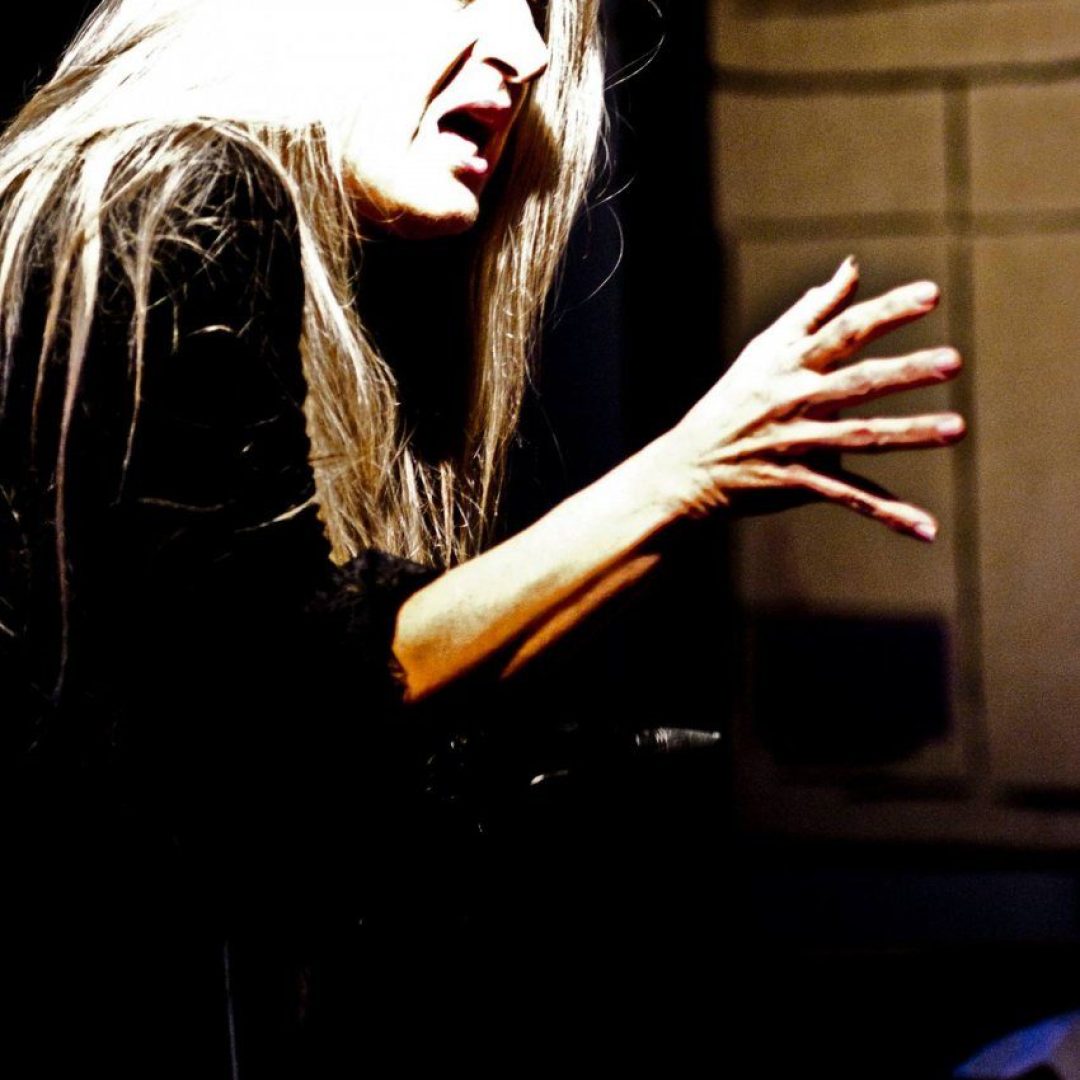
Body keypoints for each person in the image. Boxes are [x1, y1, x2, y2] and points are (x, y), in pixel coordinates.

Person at [1, 0, 965, 1073]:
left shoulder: (197, 228)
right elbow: (272, 716)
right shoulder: (180, 194)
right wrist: (684, 479)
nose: (529, 48)